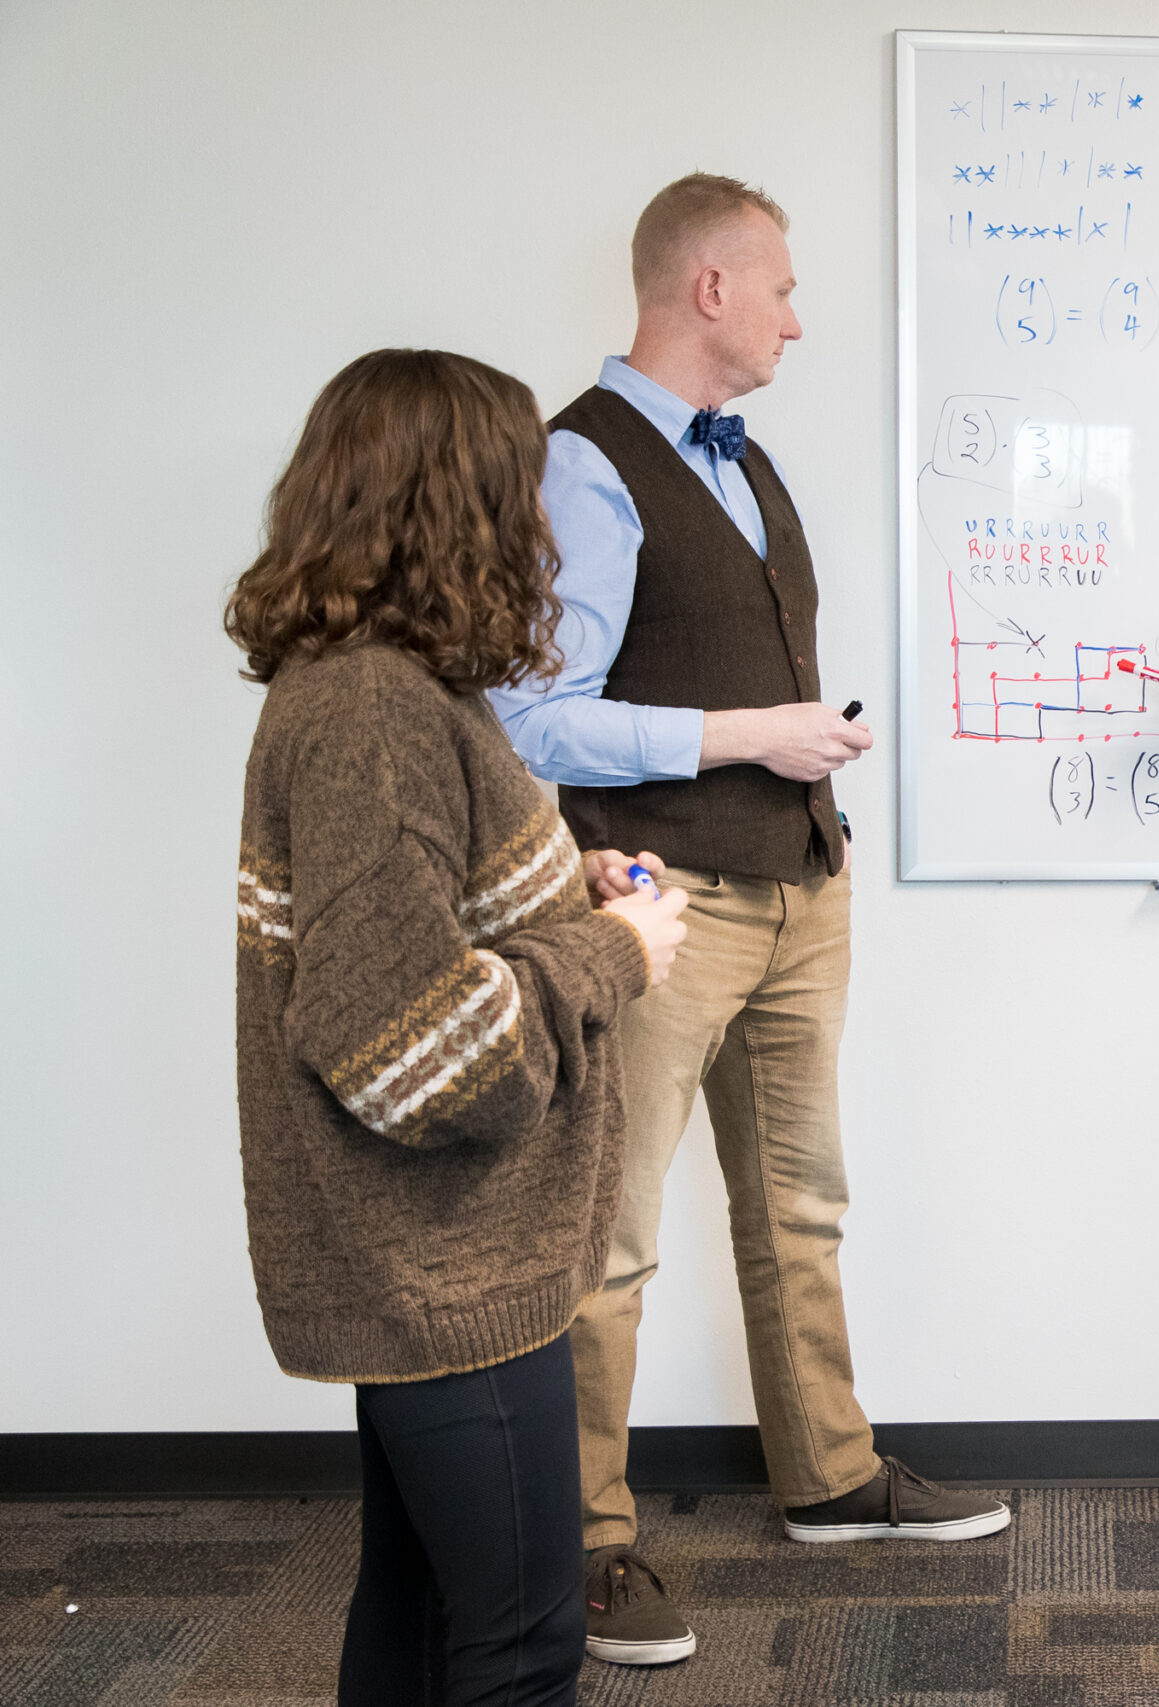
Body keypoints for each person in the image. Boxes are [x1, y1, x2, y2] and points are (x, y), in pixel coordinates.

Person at [489, 173, 1007, 1668]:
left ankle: (831, 1478)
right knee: (611, 1239)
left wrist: (796, 771)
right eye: (779, 286)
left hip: (797, 886)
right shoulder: (581, 467)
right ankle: (583, 1547)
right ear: (706, 289)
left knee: (800, 1208)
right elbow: (531, 719)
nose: (797, 316)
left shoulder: (747, 460)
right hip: (659, 903)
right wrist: (744, 736)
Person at [226, 348, 693, 1703]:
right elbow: (406, 1044)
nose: (545, 522)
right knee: (516, 1650)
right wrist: (609, 950)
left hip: (437, 1266)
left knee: (422, 1617)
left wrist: (564, 887)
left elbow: (418, 928)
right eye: (524, 486)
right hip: (447, 1270)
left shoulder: (381, 688)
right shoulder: (372, 711)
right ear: (456, 504)